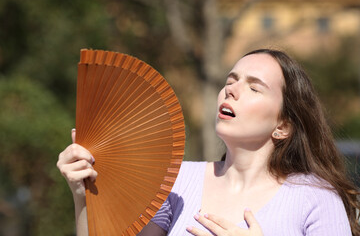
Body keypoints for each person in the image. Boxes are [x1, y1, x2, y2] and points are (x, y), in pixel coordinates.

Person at [57, 49, 360, 236]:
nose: (232, 90)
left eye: (254, 88)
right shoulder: (175, 181)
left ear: (282, 126)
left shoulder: (316, 198)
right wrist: (83, 195)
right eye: (230, 81)